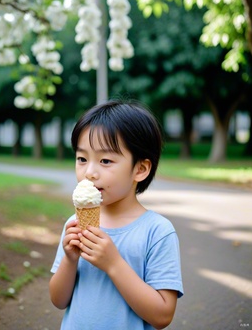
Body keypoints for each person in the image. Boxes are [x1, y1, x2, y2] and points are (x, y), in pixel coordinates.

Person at [49, 99, 183, 330]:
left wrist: (113, 264)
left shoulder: (157, 232)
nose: (89, 172)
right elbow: (58, 301)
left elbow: (162, 316)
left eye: (105, 160)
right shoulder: (75, 223)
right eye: (82, 158)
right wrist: (70, 261)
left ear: (140, 169)